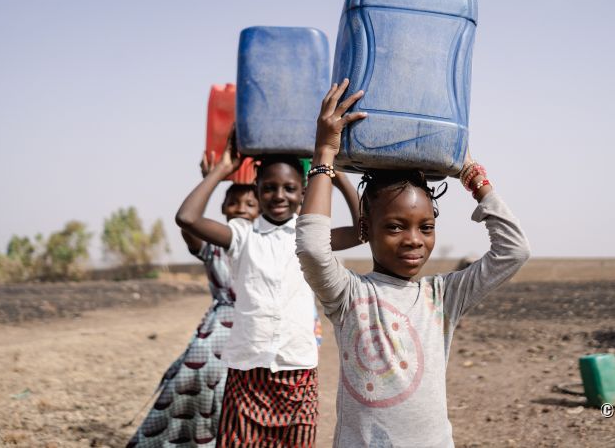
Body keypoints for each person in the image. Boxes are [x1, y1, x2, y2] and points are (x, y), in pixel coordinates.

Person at [296, 79, 531, 448]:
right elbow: (311, 248)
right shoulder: (348, 296)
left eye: (426, 227)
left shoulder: (443, 296)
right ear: (365, 229)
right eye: (394, 226)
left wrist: (472, 175)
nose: (413, 240)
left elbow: (514, 250)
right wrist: (325, 152)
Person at [176, 135, 361, 447]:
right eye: (268, 187)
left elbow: (362, 230)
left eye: (289, 188)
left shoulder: (310, 238)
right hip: (247, 370)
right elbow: (187, 218)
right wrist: (221, 170)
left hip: (297, 370)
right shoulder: (242, 235)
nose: (279, 195)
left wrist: (334, 171)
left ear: (303, 192)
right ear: (257, 191)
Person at [127, 165, 259, 447]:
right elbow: (187, 220)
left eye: (250, 203)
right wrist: (212, 178)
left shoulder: (266, 245)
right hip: (215, 338)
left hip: (255, 331)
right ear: (222, 207)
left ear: (261, 210)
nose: (241, 209)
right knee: (193, 387)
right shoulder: (211, 246)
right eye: (233, 202)